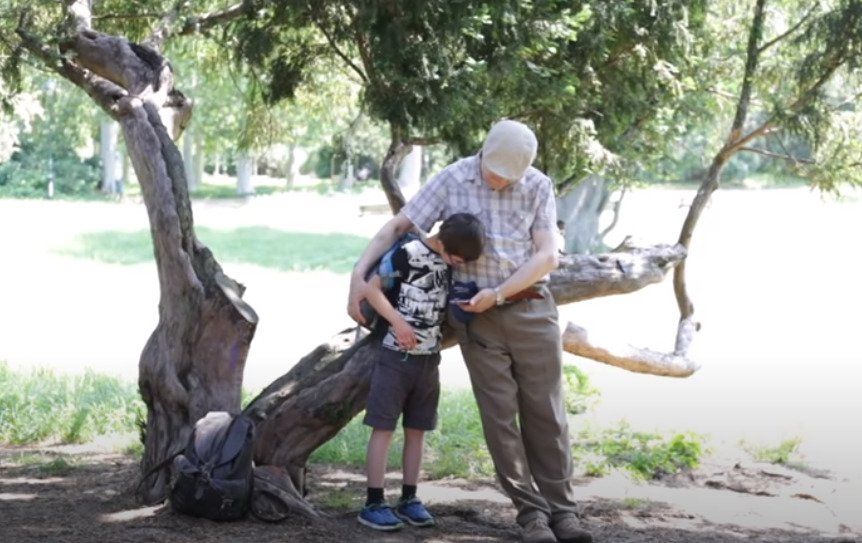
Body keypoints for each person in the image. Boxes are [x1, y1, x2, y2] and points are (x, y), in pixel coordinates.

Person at [348, 119, 593, 543]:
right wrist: (358, 275)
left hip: (530, 308)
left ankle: (563, 513)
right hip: (474, 316)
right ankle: (532, 516)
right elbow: (398, 228)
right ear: (482, 152)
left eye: (508, 177)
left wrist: (498, 293)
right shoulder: (454, 177)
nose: (498, 182)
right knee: (500, 418)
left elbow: (548, 255)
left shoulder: (537, 185)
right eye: (493, 172)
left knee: (546, 414)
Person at [357, 213, 485, 532]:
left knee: (418, 430)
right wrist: (398, 323)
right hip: (395, 358)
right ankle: (373, 502)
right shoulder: (409, 253)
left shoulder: (451, 262)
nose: (459, 263)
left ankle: (409, 498)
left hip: (429, 360)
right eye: (457, 258)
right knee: (383, 428)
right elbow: (372, 289)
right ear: (441, 242)